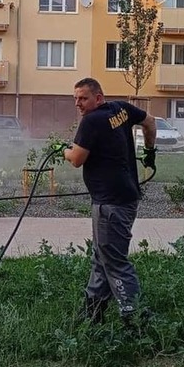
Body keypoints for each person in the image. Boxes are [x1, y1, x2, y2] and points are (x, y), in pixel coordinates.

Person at [62, 77, 157, 329]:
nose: (78, 104)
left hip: (110, 203)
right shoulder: (121, 109)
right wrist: (150, 152)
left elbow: (77, 159)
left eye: (83, 98)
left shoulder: (91, 121)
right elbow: (150, 122)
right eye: (75, 99)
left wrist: (64, 150)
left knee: (114, 261)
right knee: (102, 256)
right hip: (127, 197)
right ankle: (93, 312)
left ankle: (135, 319)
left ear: (98, 97)